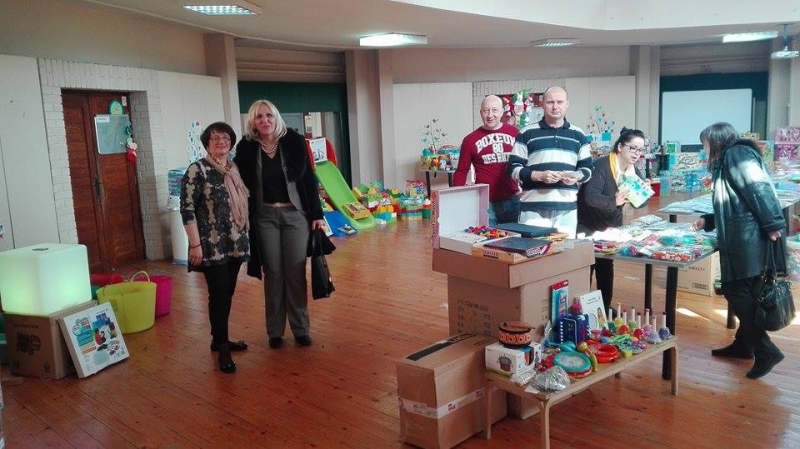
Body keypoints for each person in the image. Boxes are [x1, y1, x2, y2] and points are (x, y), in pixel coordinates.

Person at [692, 122, 786, 380]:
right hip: (745, 233)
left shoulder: (736, 154)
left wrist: (772, 223)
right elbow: (734, 199)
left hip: (748, 236)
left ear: (716, 140)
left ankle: (765, 350)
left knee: (734, 288)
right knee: (749, 289)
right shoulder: (731, 156)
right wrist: (708, 220)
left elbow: (758, 189)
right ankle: (744, 345)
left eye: (705, 144)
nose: (704, 149)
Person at [234, 100, 325, 350]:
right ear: (253, 122)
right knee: (273, 273)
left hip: (295, 216)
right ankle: (274, 331)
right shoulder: (246, 148)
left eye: (269, 115)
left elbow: (308, 180)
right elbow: (240, 184)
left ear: (276, 118)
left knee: (295, 272)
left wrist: (317, 214)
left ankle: (301, 329)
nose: (265, 120)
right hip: (264, 217)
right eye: (259, 117)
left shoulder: (294, 142)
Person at [180, 121, 251, 374]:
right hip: (211, 245)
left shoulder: (234, 168)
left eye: (226, 138)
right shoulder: (197, 169)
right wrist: (194, 245)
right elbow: (187, 208)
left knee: (227, 293)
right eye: (215, 138)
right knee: (218, 295)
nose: (221, 142)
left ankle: (219, 338)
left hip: (235, 241)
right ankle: (222, 347)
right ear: (207, 144)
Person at [577, 127, 649, 312]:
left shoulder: (633, 171)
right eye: (632, 148)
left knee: (606, 264)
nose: (636, 153)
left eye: (640, 150)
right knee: (587, 264)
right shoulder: (601, 166)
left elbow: (639, 204)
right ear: (620, 146)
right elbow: (590, 197)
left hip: (610, 223)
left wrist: (643, 192)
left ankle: (604, 307)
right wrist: (614, 201)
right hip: (587, 223)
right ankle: (580, 308)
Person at [508, 86, 593, 238]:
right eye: (550, 102)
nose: (555, 106)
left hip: (567, 210)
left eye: (559, 102)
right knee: (533, 250)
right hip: (533, 209)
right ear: (542, 104)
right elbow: (513, 169)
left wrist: (576, 176)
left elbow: (588, 169)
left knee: (565, 251)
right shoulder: (526, 133)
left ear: (567, 104)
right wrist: (539, 176)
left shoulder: (579, 135)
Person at [453, 95, 521, 225]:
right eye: (486, 110)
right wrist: (457, 200)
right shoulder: (469, 140)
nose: (490, 115)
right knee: (488, 236)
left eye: (495, 110)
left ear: (502, 111)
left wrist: (527, 190)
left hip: (512, 199)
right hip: (485, 201)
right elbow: (461, 171)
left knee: (516, 236)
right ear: (481, 113)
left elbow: (525, 163)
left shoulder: (515, 134)